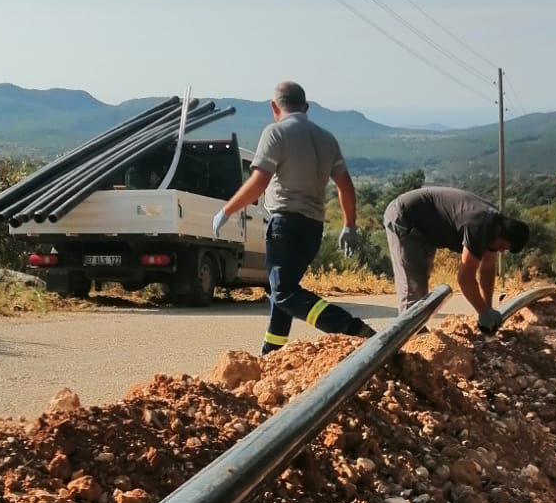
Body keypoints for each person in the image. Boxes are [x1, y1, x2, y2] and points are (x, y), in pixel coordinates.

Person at [213, 80, 375, 355]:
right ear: (306, 107)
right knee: (284, 291)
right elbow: (345, 186)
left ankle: (352, 329)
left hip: (285, 225)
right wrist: (349, 225)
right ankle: (271, 353)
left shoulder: (275, 133)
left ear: (274, 107)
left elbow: (260, 180)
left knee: (284, 293)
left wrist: (228, 209)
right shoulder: (327, 138)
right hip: (313, 228)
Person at [383, 185, 529, 332]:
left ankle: (415, 332)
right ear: (501, 233)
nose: (502, 251)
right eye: (503, 247)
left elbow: (487, 268)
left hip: (424, 229)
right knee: (413, 286)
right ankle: (409, 340)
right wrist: (483, 313)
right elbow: (465, 278)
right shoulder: (478, 226)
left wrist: (488, 307)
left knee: (420, 281)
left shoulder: (495, 227)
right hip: (404, 218)